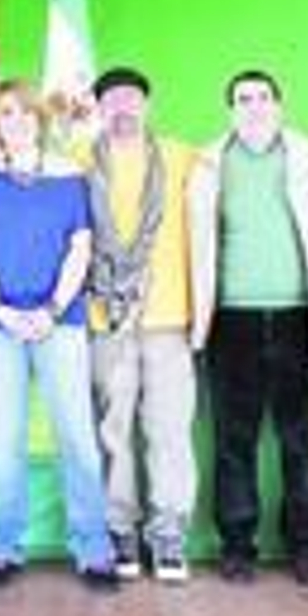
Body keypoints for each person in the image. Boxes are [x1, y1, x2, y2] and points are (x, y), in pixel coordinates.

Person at [0, 80, 119, 593]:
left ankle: (93, 549)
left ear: (40, 120)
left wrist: (51, 309)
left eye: (25, 112)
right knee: (5, 441)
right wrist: (0, 309)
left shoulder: (70, 180)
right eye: (6, 112)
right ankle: (3, 547)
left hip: (60, 321)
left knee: (77, 436)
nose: (17, 121)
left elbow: (80, 249)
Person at [188, 70, 308, 586]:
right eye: (243, 99)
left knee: (301, 440)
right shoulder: (207, 165)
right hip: (231, 320)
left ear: (279, 104)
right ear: (230, 110)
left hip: (299, 318)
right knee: (234, 441)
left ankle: (307, 548)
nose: (254, 106)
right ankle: (237, 546)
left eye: (263, 97)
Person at [84, 67, 199, 583]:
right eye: (112, 100)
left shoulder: (181, 157)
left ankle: (168, 533)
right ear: (99, 109)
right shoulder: (77, 159)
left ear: (147, 105)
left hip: (168, 316)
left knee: (169, 430)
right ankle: (119, 529)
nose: (123, 107)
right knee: (113, 431)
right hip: (105, 317)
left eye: (132, 98)